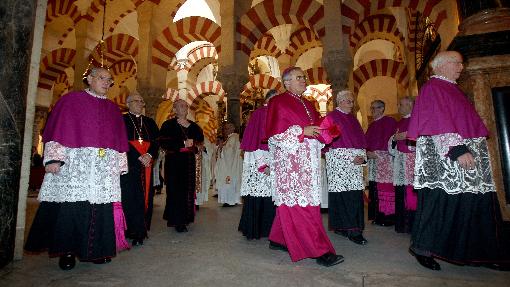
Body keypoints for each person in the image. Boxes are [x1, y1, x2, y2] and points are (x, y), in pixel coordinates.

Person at [407, 51, 508, 271]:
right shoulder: (433, 87)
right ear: (440, 65)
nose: (461, 67)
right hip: (447, 157)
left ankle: (483, 252)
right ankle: (423, 247)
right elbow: (439, 119)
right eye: (457, 63)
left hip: (467, 151)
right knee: (440, 200)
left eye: (461, 63)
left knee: (475, 201)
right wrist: (456, 149)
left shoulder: (452, 88)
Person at [24, 67, 129, 270]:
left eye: (110, 80)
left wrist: (120, 164)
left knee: (100, 208)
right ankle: (68, 251)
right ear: (89, 79)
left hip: (103, 168)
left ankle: (97, 250)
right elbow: (57, 129)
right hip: (75, 164)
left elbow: (119, 141)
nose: (106, 83)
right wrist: (53, 159)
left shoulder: (114, 108)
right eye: (102, 78)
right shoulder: (71, 101)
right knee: (72, 209)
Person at [266, 66, 343, 267]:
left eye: (304, 77)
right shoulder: (278, 102)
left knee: (297, 205)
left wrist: (327, 131)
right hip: (291, 167)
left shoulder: (308, 103)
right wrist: (302, 131)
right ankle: (318, 250)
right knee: (303, 208)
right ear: (286, 82)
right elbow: (276, 136)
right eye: (299, 77)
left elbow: (316, 129)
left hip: (308, 163)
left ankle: (278, 238)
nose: (304, 80)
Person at [323, 90, 368, 245]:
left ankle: (354, 229)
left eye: (352, 101)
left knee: (354, 197)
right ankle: (346, 229)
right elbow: (328, 143)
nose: (351, 104)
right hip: (339, 165)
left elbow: (360, 141)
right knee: (343, 197)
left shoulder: (353, 120)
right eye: (348, 101)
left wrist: (362, 156)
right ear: (340, 101)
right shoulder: (331, 118)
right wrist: (350, 158)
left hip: (355, 165)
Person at [120, 91, 159, 246]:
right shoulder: (122, 120)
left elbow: (156, 141)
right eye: (137, 101)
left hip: (147, 164)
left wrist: (149, 154)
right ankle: (130, 229)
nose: (140, 104)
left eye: (142, 101)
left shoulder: (149, 122)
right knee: (130, 198)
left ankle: (141, 230)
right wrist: (139, 155)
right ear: (128, 104)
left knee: (145, 197)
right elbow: (122, 140)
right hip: (130, 164)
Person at [238, 89, 278, 240]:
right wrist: (262, 164)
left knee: (271, 197)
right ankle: (254, 230)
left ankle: (269, 230)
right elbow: (255, 141)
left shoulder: (278, 113)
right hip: (259, 159)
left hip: (274, 160)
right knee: (257, 195)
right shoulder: (261, 113)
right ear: (267, 100)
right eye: (274, 99)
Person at [159, 99, 204, 232]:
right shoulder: (168, 125)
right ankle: (178, 221)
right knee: (175, 191)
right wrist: (182, 144)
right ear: (174, 109)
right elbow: (163, 143)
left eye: (185, 105)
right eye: (181, 105)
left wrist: (194, 145)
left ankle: (187, 218)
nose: (184, 107)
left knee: (188, 191)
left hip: (189, 163)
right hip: (174, 164)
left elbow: (199, 143)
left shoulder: (194, 126)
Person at [365, 100, 397, 226]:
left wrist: (377, 154)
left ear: (382, 109)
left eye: (375, 108)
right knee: (375, 188)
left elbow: (390, 142)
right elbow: (366, 141)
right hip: (373, 162)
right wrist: (367, 152)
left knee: (386, 189)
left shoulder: (389, 121)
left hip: (385, 160)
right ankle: (377, 217)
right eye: (371, 108)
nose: (373, 111)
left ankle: (388, 218)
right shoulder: (372, 125)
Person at [388, 97, 416, 234]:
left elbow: (420, 139)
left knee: (411, 193)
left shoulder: (416, 119)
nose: (398, 107)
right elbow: (391, 146)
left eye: (401, 104)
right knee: (401, 191)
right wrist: (394, 139)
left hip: (412, 160)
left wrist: (407, 136)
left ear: (410, 105)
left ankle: (412, 225)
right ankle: (402, 225)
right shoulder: (399, 122)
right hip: (400, 161)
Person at [214, 122, 243, 207]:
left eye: (228, 128)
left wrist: (221, 147)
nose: (226, 130)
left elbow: (230, 152)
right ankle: (228, 200)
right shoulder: (230, 138)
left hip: (231, 166)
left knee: (229, 181)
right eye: (225, 128)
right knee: (227, 182)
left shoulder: (234, 137)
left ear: (233, 128)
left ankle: (231, 200)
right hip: (229, 165)